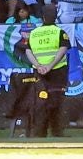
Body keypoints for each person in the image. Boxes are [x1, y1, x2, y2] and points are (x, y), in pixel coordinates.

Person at [24, 8, 69, 138]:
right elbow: (63, 49)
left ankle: (40, 133)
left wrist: (38, 66)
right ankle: (56, 133)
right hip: (57, 71)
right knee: (56, 102)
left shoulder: (34, 33)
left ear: (42, 17)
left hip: (39, 73)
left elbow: (28, 51)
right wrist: (50, 66)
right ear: (55, 17)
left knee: (40, 102)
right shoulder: (59, 32)